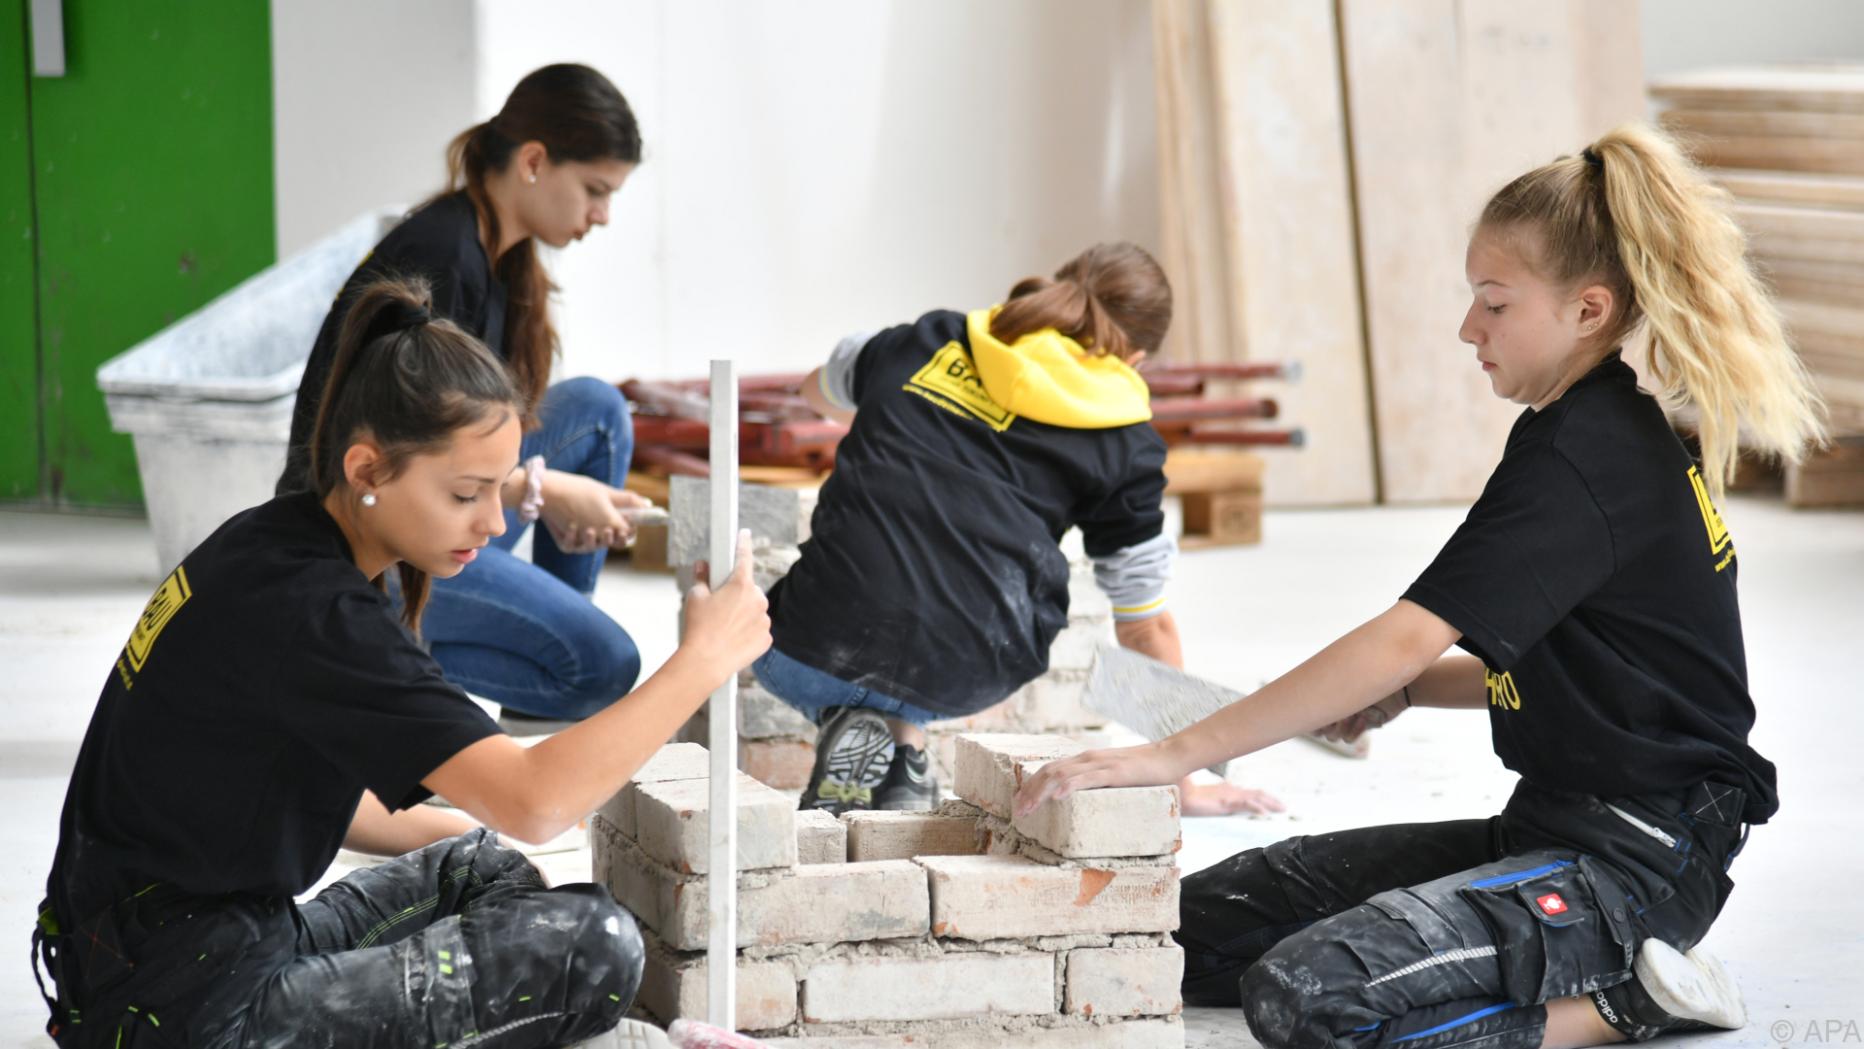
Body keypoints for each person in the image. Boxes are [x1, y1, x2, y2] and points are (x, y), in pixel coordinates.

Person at [1015, 124, 1826, 1048]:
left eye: (1494, 303)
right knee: (1186, 930)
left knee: (1308, 995)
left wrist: (1173, 755)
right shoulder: (1571, 432)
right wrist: (1398, 693)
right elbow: (1590, 672)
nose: (1467, 328)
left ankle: (1621, 1006)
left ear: (1589, 310)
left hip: (1638, 864)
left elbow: (1412, 629)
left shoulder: (1590, 460)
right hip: (1548, 827)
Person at [33, 279, 772, 1049]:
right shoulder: (315, 610)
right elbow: (536, 800)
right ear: (368, 470)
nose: (492, 521)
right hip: (188, 1009)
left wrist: (510, 828)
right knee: (593, 946)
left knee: (482, 866)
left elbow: (312, 795)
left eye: (500, 490)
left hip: (188, 950)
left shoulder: (279, 541)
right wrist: (703, 656)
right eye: (467, 493)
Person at [764, 242, 1281, 818]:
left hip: (804, 645)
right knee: (930, 608)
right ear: (1134, 359)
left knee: (863, 590)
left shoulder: (928, 339)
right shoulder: (1124, 440)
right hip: (969, 663)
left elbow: (818, 390)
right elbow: (1146, 626)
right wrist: (1182, 784)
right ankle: (903, 756)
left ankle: (861, 725)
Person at [278, 63, 651, 728]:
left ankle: (541, 652)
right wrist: (548, 489)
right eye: (595, 190)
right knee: (606, 666)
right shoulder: (442, 256)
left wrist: (540, 483)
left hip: (421, 501)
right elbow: (413, 470)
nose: (602, 216)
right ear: (534, 160)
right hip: (364, 539)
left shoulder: (496, 253)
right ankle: (374, 654)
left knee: (596, 409)